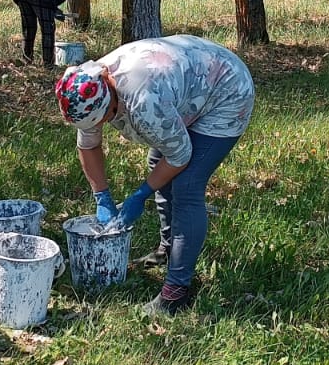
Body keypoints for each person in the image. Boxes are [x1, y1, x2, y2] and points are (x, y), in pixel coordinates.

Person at [55, 35, 255, 315]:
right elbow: (88, 145)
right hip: (193, 81)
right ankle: (168, 248)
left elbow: (180, 157)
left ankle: (175, 293)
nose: (100, 126)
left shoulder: (144, 103)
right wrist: (101, 196)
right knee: (158, 162)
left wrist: (141, 194)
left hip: (227, 90)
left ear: (112, 99)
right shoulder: (86, 88)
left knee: (186, 184)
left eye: (104, 120)